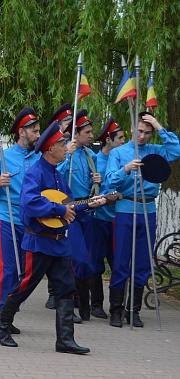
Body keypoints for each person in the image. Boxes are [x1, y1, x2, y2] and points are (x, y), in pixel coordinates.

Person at [0, 121, 105, 353]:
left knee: (66, 288)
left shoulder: (56, 175)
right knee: (25, 285)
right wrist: (60, 210)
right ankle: (2, 325)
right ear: (50, 148)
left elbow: (69, 205)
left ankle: (64, 340)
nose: (66, 148)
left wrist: (91, 203)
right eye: (62, 144)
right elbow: (30, 203)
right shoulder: (36, 173)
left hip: (58, 242)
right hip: (39, 241)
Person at [105, 111, 180, 328]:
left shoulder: (155, 151)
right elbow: (110, 182)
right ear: (131, 129)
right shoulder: (118, 153)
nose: (143, 136)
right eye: (139, 131)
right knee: (120, 261)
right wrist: (126, 169)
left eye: (147, 132)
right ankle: (116, 311)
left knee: (142, 263)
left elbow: (175, 149)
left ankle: (133, 310)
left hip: (148, 209)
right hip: (125, 208)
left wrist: (158, 125)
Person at [0, 107, 41, 333]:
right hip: (8, 216)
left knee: (24, 270)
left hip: (32, 219)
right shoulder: (3, 158)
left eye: (38, 131)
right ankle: (0, 313)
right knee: (8, 266)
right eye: (34, 131)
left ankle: (10, 313)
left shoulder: (39, 158)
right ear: (22, 131)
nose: (38, 135)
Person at [57, 109, 101, 321]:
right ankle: (72, 303)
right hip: (70, 208)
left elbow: (97, 184)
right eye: (88, 132)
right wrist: (68, 155)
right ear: (76, 134)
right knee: (77, 257)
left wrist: (98, 180)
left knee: (88, 259)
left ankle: (85, 305)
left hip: (88, 209)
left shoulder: (90, 155)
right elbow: (56, 174)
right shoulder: (65, 153)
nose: (92, 135)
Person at [89, 116, 124, 319]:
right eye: (119, 138)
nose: (122, 141)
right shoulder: (95, 160)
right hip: (98, 218)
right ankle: (96, 305)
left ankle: (117, 307)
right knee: (95, 262)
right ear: (108, 140)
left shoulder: (121, 158)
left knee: (117, 261)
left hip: (118, 218)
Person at [44, 103, 77, 310]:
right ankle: (3, 319)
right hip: (51, 212)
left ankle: (66, 332)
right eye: (66, 124)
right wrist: (67, 154)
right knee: (30, 276)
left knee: (66, 271)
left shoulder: (75, 148)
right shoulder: (55, 150)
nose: (69, 128)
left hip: (69, 208)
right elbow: (55, 171)